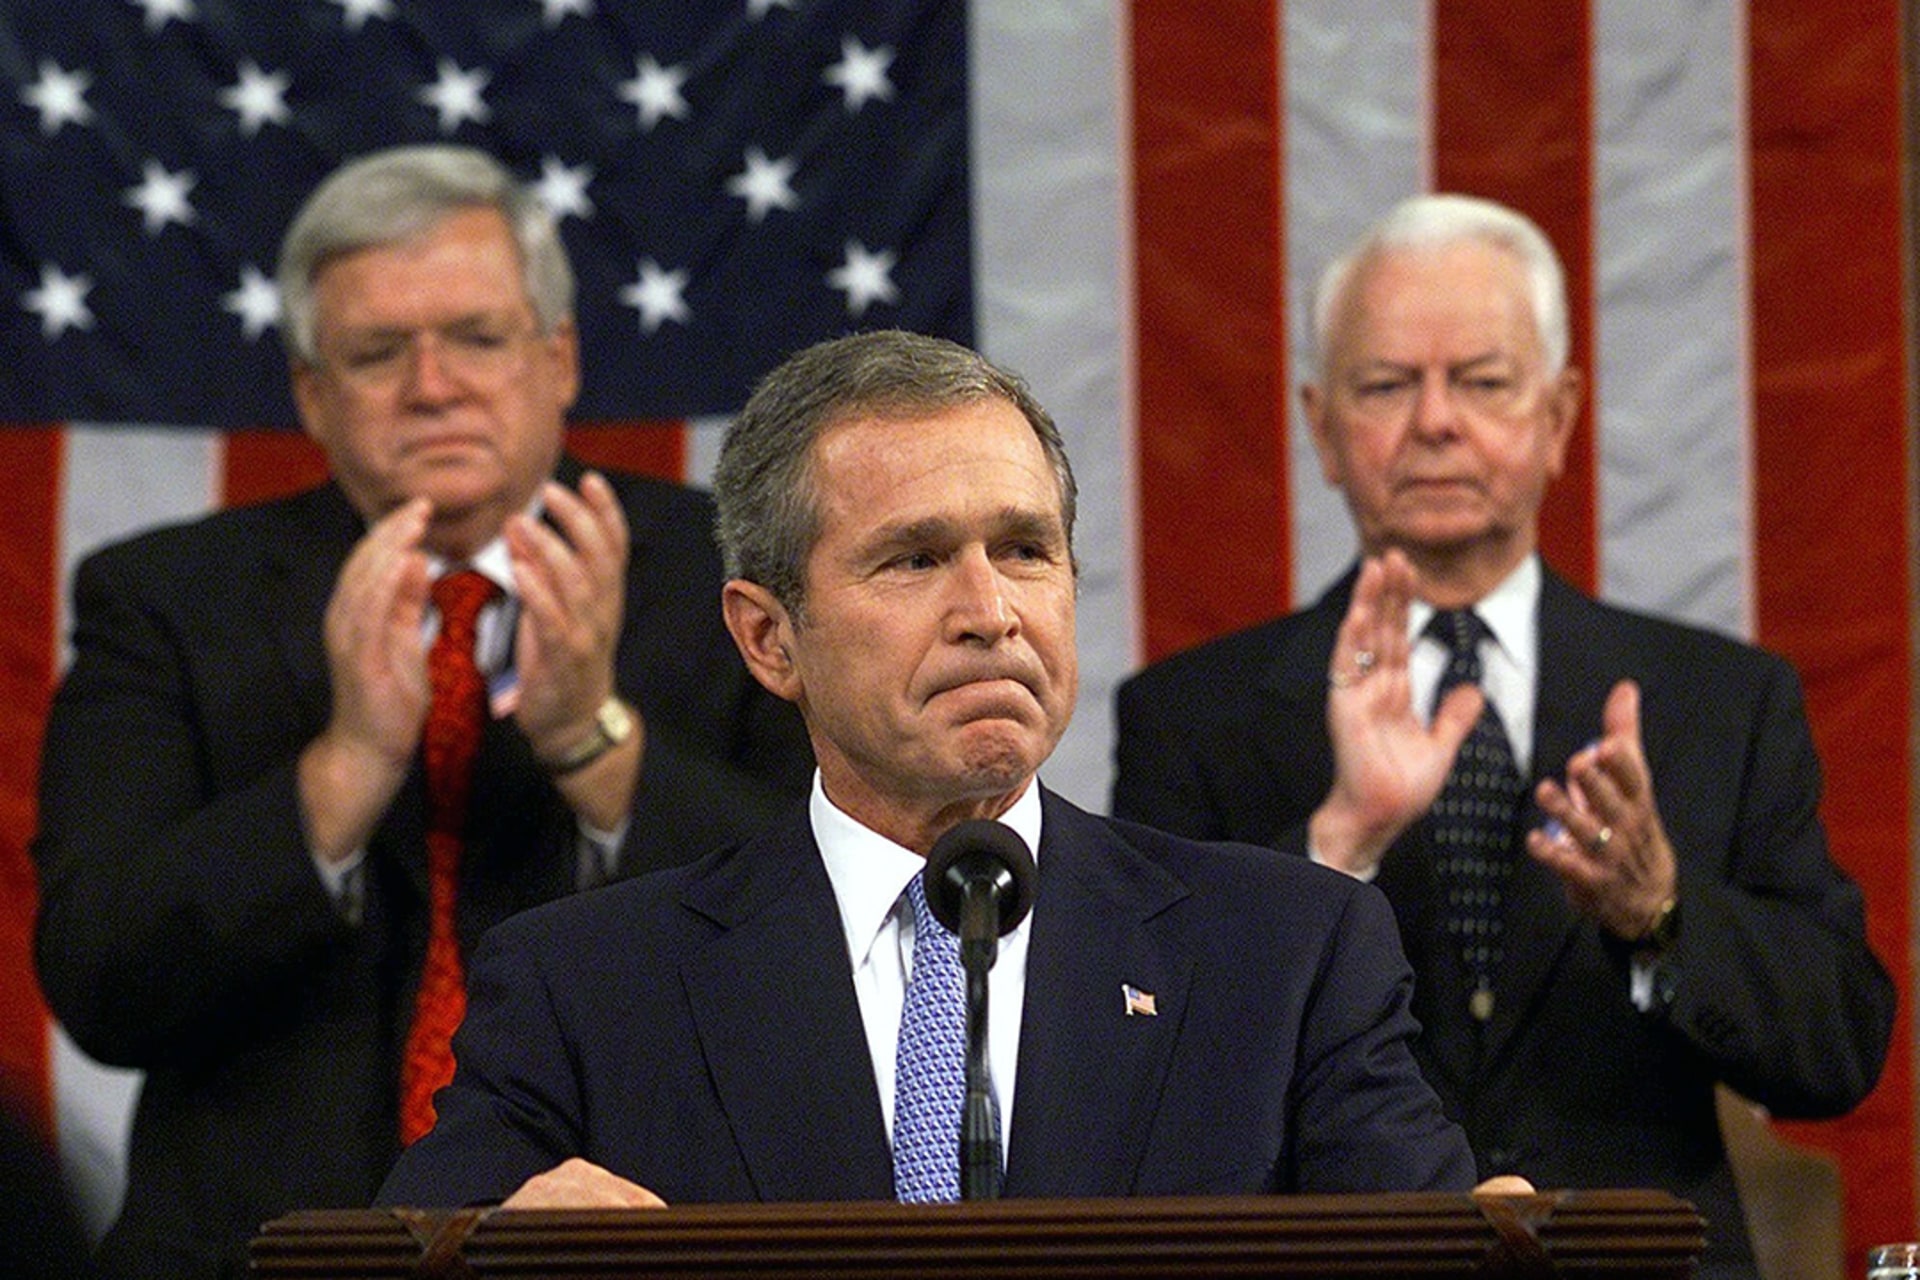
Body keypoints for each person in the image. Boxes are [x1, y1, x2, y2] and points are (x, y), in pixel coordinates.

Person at [375, 328, 1479, 1212]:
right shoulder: (586, 987)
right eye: (913, 559)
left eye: (1025, 549)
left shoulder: (1289, 953)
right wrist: (500, 1253)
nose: (991, 612)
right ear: (768, 638)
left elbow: (1430, 1252)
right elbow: (408, 1255)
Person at [31, 145, 812, 1279]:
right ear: (311, 393)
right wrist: (344, 767)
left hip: (642, 1238)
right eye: (377, 352)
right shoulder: (163, 602)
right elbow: (100, 975)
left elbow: (838, 933)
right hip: (252, 1252)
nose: (431, 385)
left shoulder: (733, 581)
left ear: (559, 358)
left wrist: (592, 738)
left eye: (478, 339)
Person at [1110, 194, 1895, 1279]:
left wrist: (1660, 911)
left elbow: (1841, 1047)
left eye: (1481, 381)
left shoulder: (1720, 699)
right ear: (1323, 426)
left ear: (1559, 417)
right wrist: (1339, 840)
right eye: (1386, 385)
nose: (1436, 421)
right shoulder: (1194, 716)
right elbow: (1134, 1065)